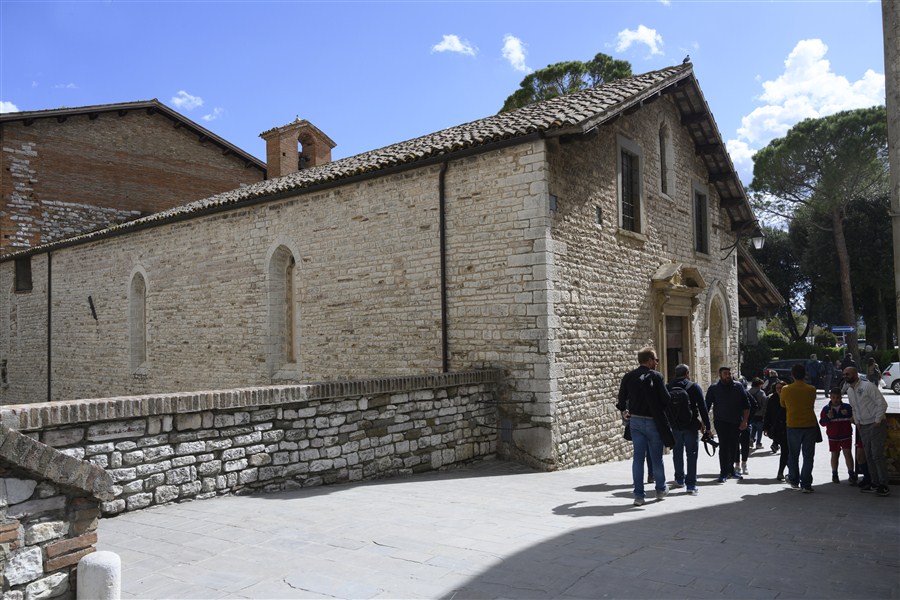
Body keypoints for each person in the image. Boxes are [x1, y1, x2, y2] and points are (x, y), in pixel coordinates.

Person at [617, 347, 671, 506]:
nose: (657, 362)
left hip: (636, 422)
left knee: (638, 459)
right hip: (653, 422)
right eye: (655, 359)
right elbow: (666, 400)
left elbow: (621, 401)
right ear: (649, 360)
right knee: (656, 458)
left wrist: (625, 411)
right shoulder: (657, 377)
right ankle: (660, 489)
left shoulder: (628, 376)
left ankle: (639, 496)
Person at [843, 366, 890, 496]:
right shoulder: (850, 391)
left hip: (875, 424)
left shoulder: (868, 386)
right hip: (862, 426)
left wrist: (877, 421)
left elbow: (882, 403)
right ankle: (874, 482)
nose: (845, 376)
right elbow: (854, 408)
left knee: (876, 455)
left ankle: (884, 484)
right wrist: (857, 422)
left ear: (855, 374)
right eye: (844, 374)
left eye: (848, 374)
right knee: (868, 455)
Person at [667, 364, 710, 495]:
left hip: (675, 426)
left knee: (677, 452)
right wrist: (707, 426)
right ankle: (691, 485)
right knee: (691, 454)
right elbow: (703, 408)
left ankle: (679, 479)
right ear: (687, 373)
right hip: (691, 425)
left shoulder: (668, 387)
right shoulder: (694, 387)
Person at [705, 366, 750, 483]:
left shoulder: (738, 387)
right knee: (724, 447)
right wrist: (705, 424)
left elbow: (746, 405)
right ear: (720, 375)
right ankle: (723, 472)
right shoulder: (714, 388)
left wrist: (744, 421)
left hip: (735, 422)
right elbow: (706, 406)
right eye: (725, 373)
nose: (728, 376)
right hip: (721, 422)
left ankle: (731, 470)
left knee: (734, 446)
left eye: (729, 373)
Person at [780, 363, 819, 493]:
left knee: (793, 454)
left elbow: (783, 404)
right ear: (805, 375)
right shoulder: (811, 389)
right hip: (809, 425)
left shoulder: (786, 389)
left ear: (792, 375)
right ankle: (806, 483)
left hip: (793, 424)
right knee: (808, 455)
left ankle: (794, 480)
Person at [819, 388, 856, 484]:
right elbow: (822, 423)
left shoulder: (847, 408)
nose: (836, 400)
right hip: (833, 436)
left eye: (838, 397)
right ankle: (834, 474)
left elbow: (854, 419)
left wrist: (848, 415)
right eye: (834, 397)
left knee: (847, 453)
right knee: (835, 454)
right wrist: (828, 417)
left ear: (841, 397)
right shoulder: (826, 409)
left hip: (846, 434)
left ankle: (851, 474)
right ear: (830, 397)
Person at [763, 380, 789, 481]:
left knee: (785, 451)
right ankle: (786, 472)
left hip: (787, 427)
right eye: (777, 388)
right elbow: (768, 413)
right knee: (785, 451)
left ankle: (782, 472)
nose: (779, 390)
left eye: (781, 388)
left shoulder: (789, 398)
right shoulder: (772, 399)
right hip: (777, 428)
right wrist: (765, 427)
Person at [748, 377, 767, 450]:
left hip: (751, 414)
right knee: (759, 430)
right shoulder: (761, 393)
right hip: (759, 414)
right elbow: (764, 404)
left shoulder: (748, 391)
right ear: (759, 385)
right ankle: (758, 443)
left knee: (753, 428)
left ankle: (751, 439)